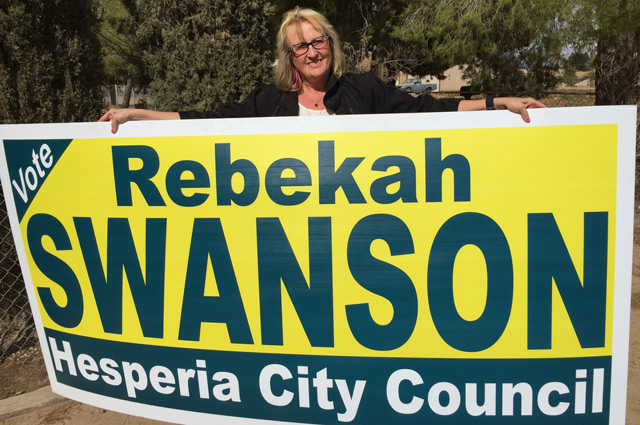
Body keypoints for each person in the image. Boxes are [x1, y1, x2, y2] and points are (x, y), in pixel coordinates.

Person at [99, 7, 545, 133]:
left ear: (330, 44)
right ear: (289, 57)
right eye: (300, 46)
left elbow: (429, 107)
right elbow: (207, 121)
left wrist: (497, 102)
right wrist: (134, 115)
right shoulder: (268, 102)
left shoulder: (363, 89)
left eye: (318, 41)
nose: (312, 52)